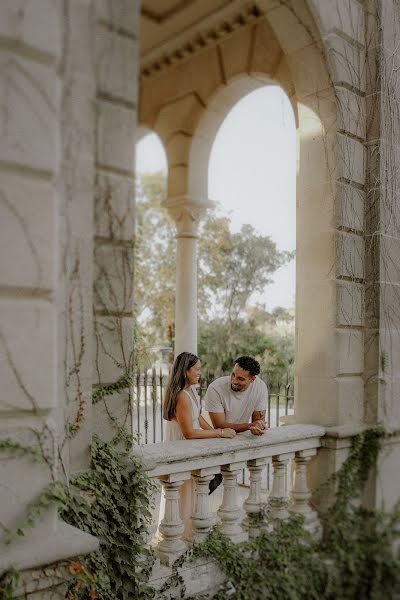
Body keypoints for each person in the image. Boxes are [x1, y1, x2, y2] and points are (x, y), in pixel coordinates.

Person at [163, 351, 235, 538]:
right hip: (182, 446)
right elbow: (188, 432)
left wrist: (216, 436)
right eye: (197, 369)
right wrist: (219, 432)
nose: (200, 372)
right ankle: (184, 536)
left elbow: (199, 420)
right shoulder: (181, 397)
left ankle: (194, 531)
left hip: (193, 446)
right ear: (186, 371)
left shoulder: (191, 392)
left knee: (196, 489)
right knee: (185, 491)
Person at [204, 356, 268, 436]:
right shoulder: (215, 388)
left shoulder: (260, 387)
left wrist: (257, 428)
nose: (234, 380)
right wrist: (249, 426)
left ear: (252, 379)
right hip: (218, 437)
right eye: (233, 374)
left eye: (240, 379)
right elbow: (219, 426)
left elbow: (257, 421)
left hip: (243, 436)